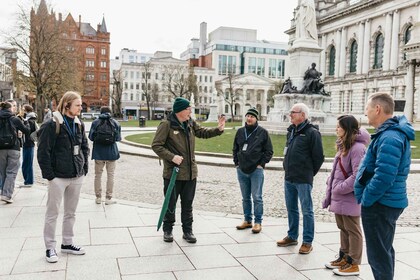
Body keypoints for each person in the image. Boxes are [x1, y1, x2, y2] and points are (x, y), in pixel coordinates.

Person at [354, 92, 414, 280]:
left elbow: (385, 176)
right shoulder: (388, 134)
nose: (366, 113)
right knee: (383, 250)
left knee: (379, 255)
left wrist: (367, 198)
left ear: (377, 109)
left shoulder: (390, 137)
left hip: (381, 203)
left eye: (367, 109)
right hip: (384, 202)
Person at [152, 97, 225, 244]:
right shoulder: (167, 125)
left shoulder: (190, 123)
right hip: (173, 173)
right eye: (188, 109)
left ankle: (187, 231)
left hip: (191, 173)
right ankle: (168, 230)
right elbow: (156, 145)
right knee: (170, 203)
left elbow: (202, 132)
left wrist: (218, 130)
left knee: (188, 204)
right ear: (180, 111)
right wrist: (172, 157)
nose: (191, 111)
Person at [37, 91, 89, 263]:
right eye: (78, 105)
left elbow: (84, 146)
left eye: (81, 105)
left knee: (70, 213)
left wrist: (84, 166)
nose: (81, 108)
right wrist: (50, 175)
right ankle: (50, 247)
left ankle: (67, 243)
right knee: (53, 213)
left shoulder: (79, 123)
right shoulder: (52, 124)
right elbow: (43, 151)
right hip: (58, 177)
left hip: (76, 174)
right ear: (67, 105)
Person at [322, 115, 370, 276]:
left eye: (339, 127)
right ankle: (345, 256)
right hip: (339, 195)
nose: (336, 129)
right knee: (343, 227)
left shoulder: (357, 148)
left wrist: (340, 187)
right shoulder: (344, 145)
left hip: (348, 196)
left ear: (347, 129)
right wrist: (332, 183)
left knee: (353, 230)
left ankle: (354, 263)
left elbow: (358, 175)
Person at [277, 103, 324, 254]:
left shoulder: (312, 133)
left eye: (293, 112)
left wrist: (309, 172)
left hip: (303, 178)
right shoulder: (291, 131)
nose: (290, 114)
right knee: (291, 208)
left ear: (303, 115)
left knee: (307, 210)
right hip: (289, 176)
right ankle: (292, 236)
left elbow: (318, 157)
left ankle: (307, 241)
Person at [233, 107, 273, 234]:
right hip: (242, 170)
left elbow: (269, 151)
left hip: (256, 170)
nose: (249, 118)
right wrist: (236, 163)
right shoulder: (240, 131)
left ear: (256, 119)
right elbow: (235, 148)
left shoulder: (262, 132)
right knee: (245, 197)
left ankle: (258, 222)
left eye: (252, 116)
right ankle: (247, 220)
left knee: (257, 197)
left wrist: (261, 164)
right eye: (248, 116)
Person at [88, 106, 121, 205]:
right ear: (110, 112)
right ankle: (108, 198)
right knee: (110, 175)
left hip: (98, 152)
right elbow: (118, 138)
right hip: (111, 152)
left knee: (98, 175)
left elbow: (91, 137)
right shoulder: (115, 123)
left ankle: (98, 197)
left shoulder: (95, 122)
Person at [0, 101, 30, 203]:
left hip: (0, 149)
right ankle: (7, 195)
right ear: (10, 109)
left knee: (3, 172)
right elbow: (26, 130)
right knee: (11, 172)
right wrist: (26, 123)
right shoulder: (14, 119)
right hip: (14, 148)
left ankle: (4, 192)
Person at [20, 104, 38, 188]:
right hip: (28, 143)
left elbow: (28, 132)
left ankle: (29, 181)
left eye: (23, 109)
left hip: (28, 143)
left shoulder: (29, 120)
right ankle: (27, 181)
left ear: (27, 110)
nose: (22, 110)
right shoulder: (28, 119)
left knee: (27, 163)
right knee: (26, 163)